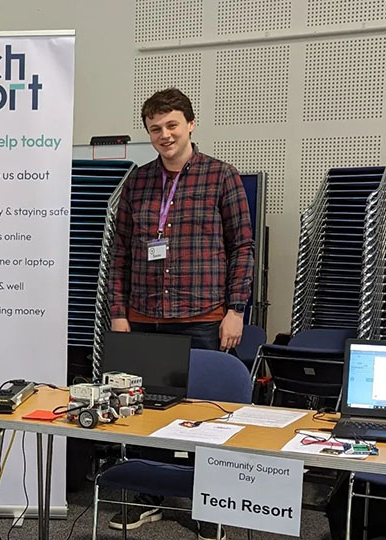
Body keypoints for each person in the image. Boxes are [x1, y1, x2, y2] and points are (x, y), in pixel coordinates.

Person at [107, 88, 254, 540]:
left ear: (191, 124)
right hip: (144, 317)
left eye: (172, 125)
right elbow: (120, 253)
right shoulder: (138, 182)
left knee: (206, 417)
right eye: (155, 129)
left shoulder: (221, 177)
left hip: (202, 316)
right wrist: (118, 312)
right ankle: (150, 496)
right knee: (143, 414)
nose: (164, 135)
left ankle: (209, 504)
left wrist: (236, 310)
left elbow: (243, 248)